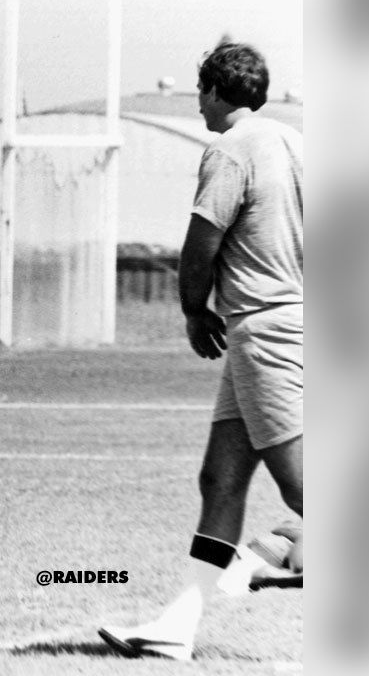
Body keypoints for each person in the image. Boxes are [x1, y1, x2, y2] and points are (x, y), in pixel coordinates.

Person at [99, 42, 303, 660]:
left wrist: (193, 310)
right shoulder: (295, 142)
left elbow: (202, 240)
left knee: (303, 488)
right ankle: (178, 626)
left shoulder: (229, 148)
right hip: (278, 325)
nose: (198, 107)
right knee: (220, 479)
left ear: (216, 92)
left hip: (263, 329)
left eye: (200, 94)